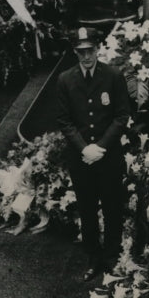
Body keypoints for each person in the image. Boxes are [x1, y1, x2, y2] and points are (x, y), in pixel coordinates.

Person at [56, 27, 131, 281]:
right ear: (75, 52)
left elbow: (122, 115)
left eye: (90, 51)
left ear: (98, 49)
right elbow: (64, 121)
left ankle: (111, 258)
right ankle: (93, 258)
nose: (86, 56)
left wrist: (101, 147)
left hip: (107, 156)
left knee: (112, 208)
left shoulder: (112, 76)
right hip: (81, 158)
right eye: (81, 52)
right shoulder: (65, 79)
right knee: (87, 209)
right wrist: (84, 148)